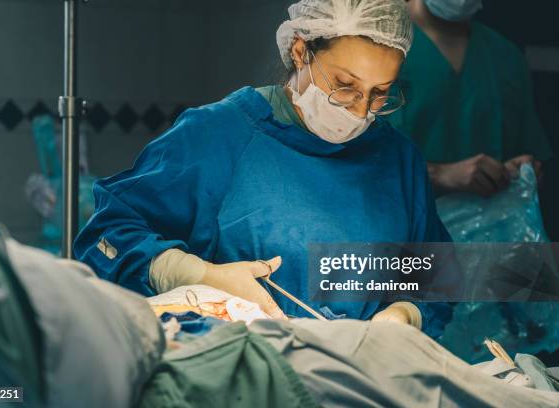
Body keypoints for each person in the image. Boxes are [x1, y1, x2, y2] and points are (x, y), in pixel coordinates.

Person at [74, 0, 453, 338]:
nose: (359, 111)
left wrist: (407, 314)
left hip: (360, 382)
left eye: (379, 93)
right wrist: (195, 275)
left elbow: (436, 272)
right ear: (301, 51)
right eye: (344, 85)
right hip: (238, 374)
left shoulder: (397, 160)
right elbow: (107, 236)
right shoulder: (220, 134)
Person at [390, 0, 553, 197]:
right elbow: (350, 163)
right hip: (398, 223)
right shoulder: (373, 46)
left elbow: (528, 154)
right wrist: (438, 174)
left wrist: (521, 172)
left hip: (491, 225)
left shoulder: (505, 57)